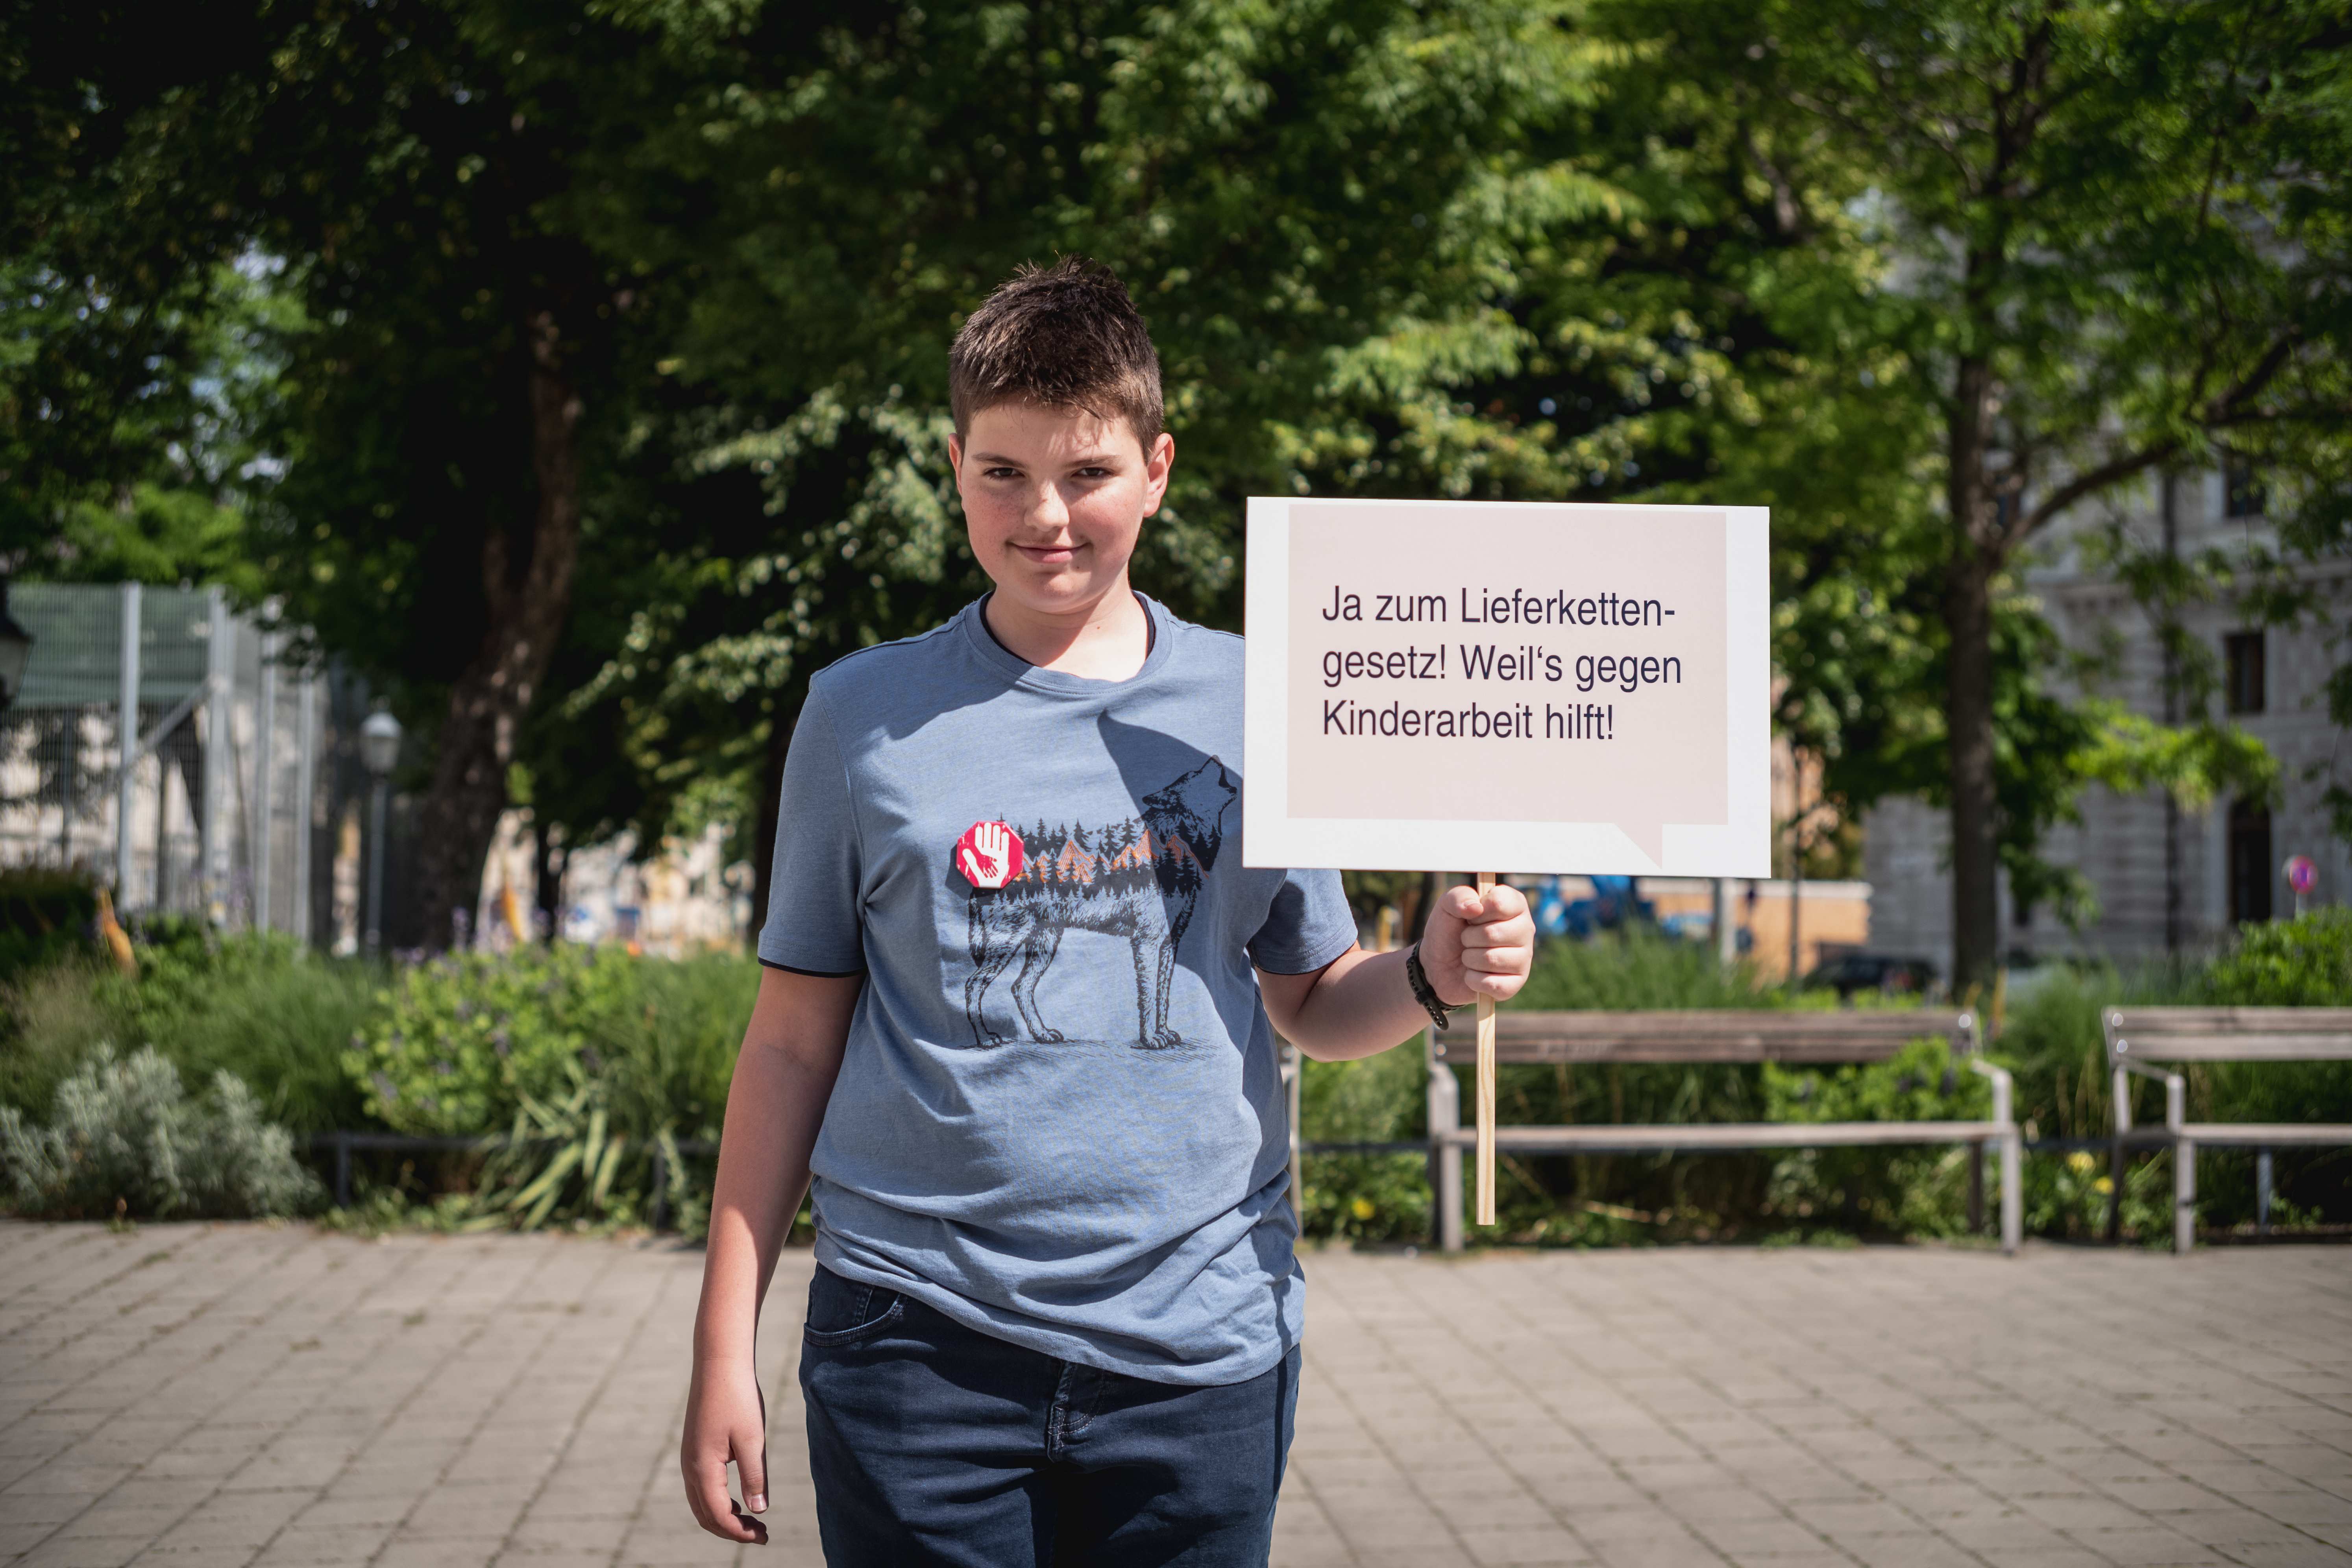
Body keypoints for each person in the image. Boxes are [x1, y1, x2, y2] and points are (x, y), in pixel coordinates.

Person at [679, 256, 1533, 1566]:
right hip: (914, 1348)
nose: (1047, 515)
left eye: (1088, 474)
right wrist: (719, 1351)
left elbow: (1312, 998)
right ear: (953, 464)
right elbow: (790, 1043)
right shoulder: (858, 719)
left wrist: (1431, 976)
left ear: (1159, 470)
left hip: (1199, 1352)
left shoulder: (1263, 705)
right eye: (1004, 473)